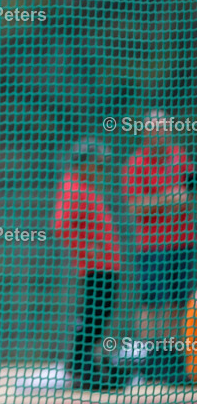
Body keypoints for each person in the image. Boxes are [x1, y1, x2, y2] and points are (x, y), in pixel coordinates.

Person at [121, 110, 197, 384]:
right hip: (152, 247)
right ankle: (150, 363)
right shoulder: (136, 164)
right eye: (155, 129)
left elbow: (189, 194)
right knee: (152, 304)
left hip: (183, 243)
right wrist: (167, 200)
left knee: (178, 301)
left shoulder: (181, 158)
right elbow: (135, 206)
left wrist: (180, 199)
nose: (161, 134)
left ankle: (173, 360)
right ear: (145, 133)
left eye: (165, 129)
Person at [52, 138, 125, 390]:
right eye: (98, 163)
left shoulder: (87, 187)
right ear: (86, 162)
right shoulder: (74, 186)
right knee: (93, 317)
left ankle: (84, 366)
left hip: (106, 265)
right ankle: (80, 368)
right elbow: (60, 226)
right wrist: (87, 248)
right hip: (96, 266)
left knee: (98, 317)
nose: (101, 169)